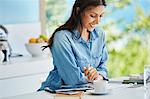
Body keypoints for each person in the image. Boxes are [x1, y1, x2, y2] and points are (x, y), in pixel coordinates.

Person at [39, 0, 108, 91]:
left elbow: (103, 69)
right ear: (78, 11)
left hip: (87, 92)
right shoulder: (62, 38)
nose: (98, 21)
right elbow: (72, 80)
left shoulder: (100, 34)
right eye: (92, 16)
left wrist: (98, 76)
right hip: (55, 93)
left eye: (101, 16)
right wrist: (94, 78)